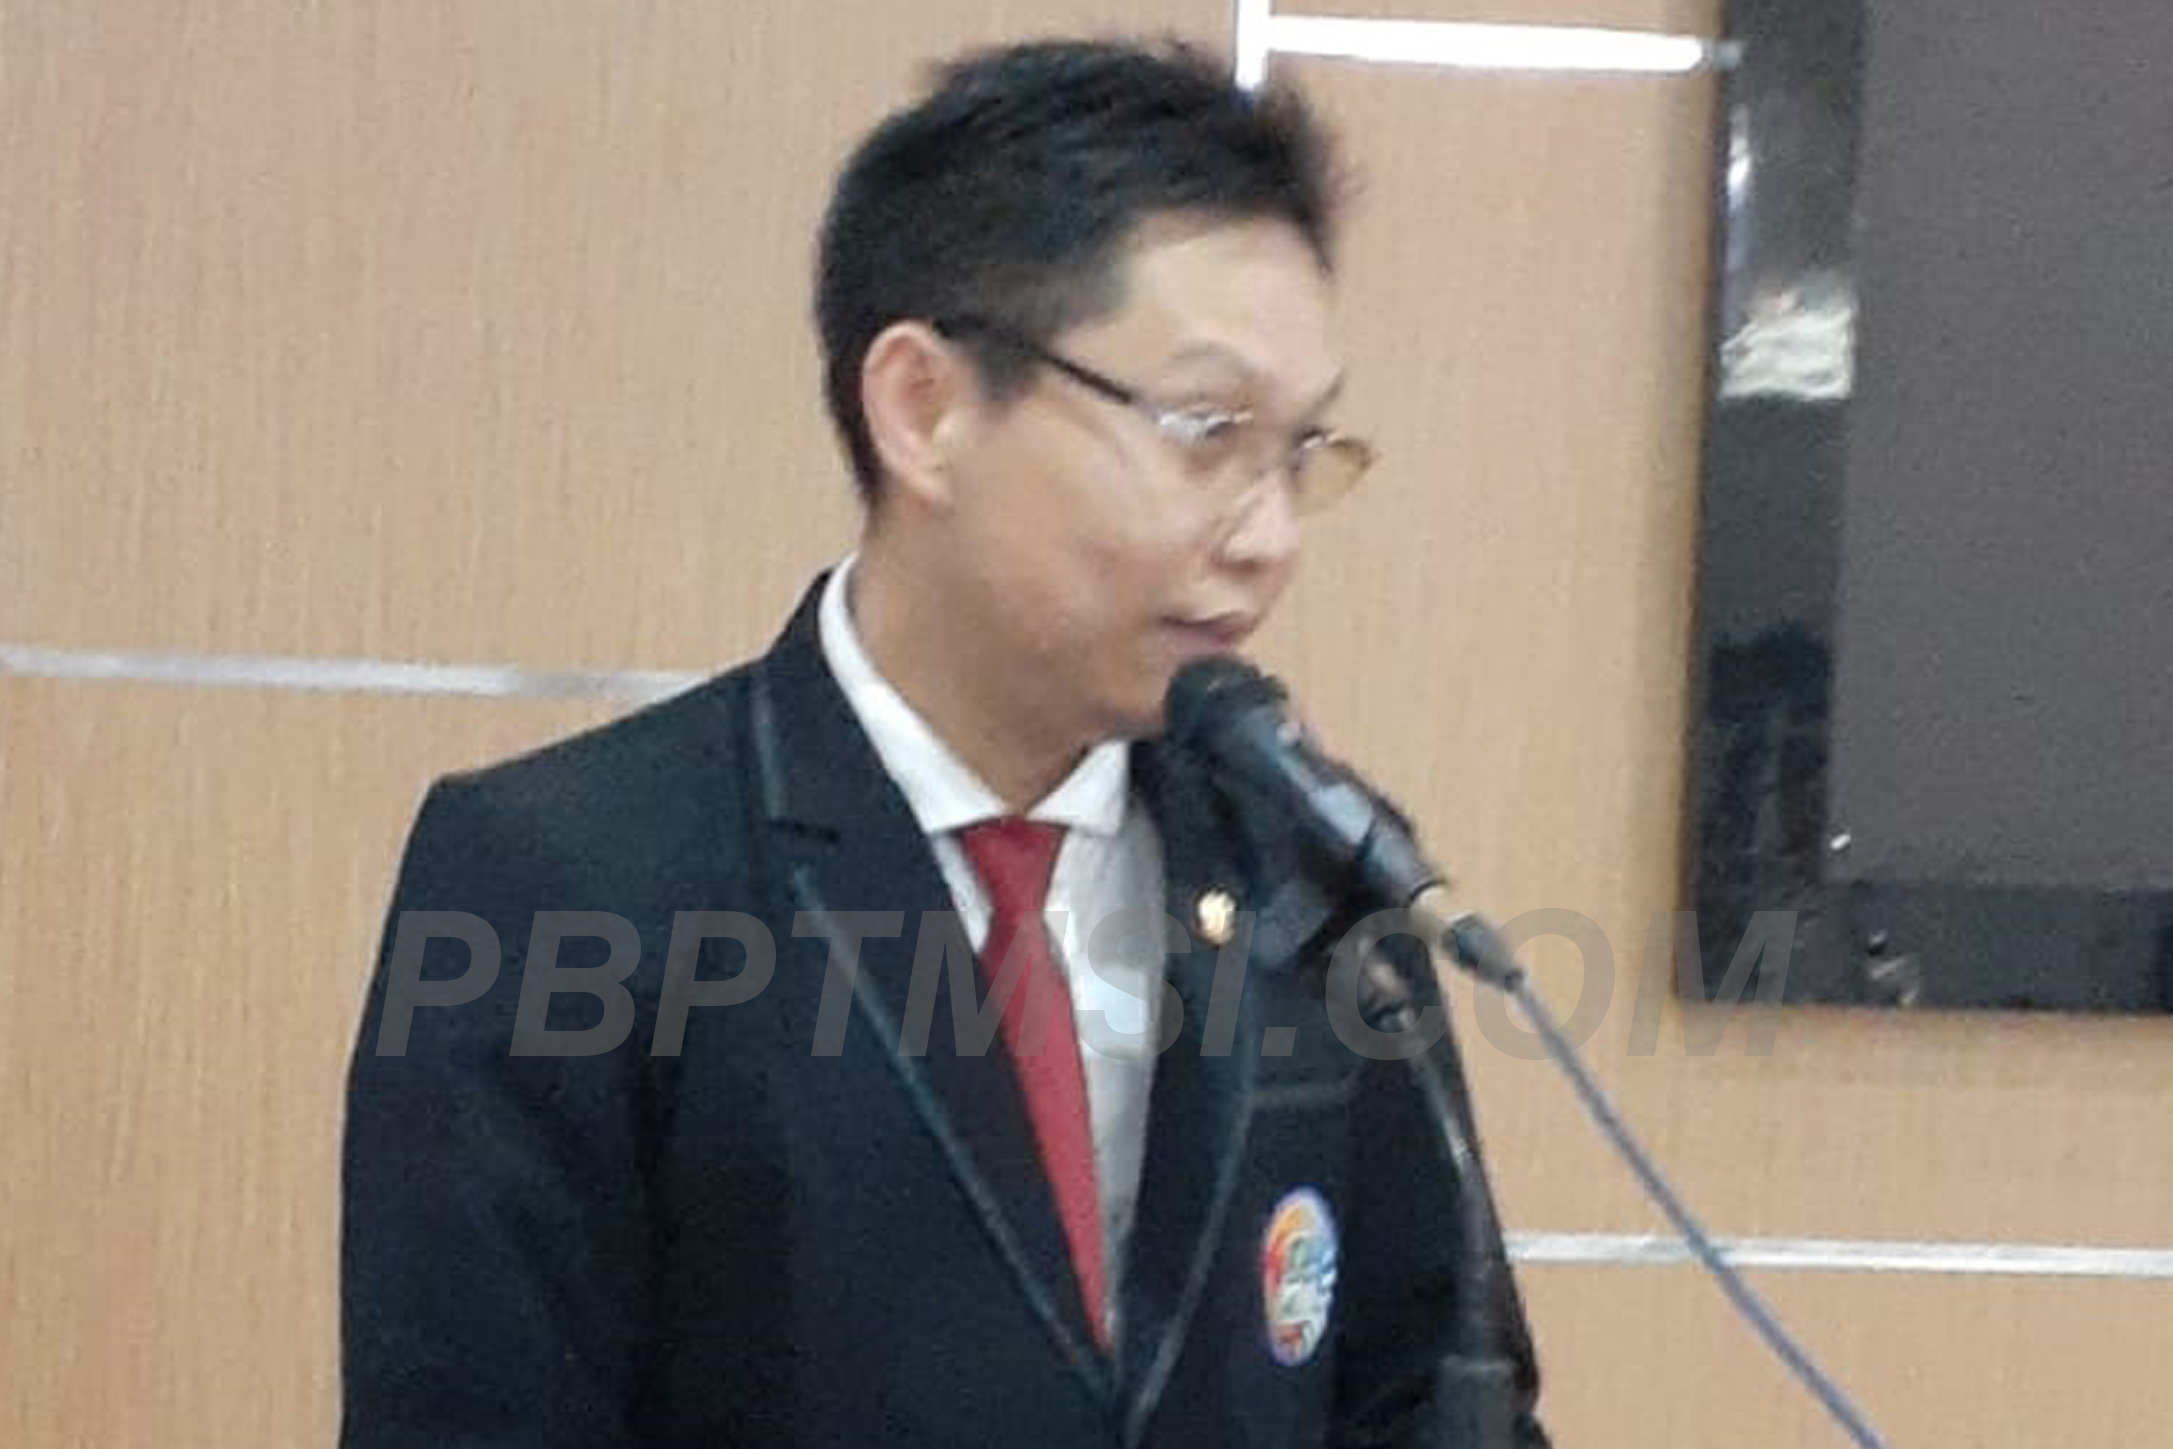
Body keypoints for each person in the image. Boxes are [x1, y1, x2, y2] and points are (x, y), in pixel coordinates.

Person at [341, 37, 1547, 1448]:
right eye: (1206, 431)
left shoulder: (1309, 866)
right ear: (924, 407)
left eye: (1298, 452)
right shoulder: (567, 881)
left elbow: (1438, 1393)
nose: (1267, 535)